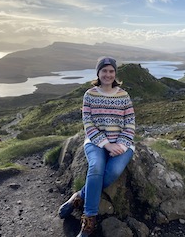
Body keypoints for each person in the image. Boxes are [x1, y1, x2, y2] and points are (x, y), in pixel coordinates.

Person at [58, 56, 136, 237]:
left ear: (115, 74)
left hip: (122, 144)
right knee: (96, 167)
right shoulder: (90, 95)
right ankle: (89, 221)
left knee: (113, 172)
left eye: (111, 71)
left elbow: (130, 123)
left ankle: (78, 197)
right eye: (104, 71)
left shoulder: (123, 95)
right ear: (98, 73)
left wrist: (122, 145)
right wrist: (107, 145)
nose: (108, 74)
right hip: (96, 142)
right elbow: (89, 124)